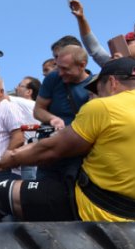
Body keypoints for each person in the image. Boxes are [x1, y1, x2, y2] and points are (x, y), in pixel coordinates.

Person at [0, 58, 135, 224]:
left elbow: (52, 150)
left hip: (93, 207)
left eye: (97, 90)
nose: (95, 95)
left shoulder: (105, 107)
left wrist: (12, 157)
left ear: (112, 83)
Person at [34, 44, 92, 182]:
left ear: (82, 65)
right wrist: (52, 119)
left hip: (78, 155)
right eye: (58, 67)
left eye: (65, 69)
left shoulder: (95, 86)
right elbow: (38, 110)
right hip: (51, 153)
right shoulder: (53, 79)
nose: (60, 73)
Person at [68, 0, 135, 67]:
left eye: (129, 42)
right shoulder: (114, 64)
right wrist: (81, 19)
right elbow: (95, 49)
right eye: (125, 42)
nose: (125, 45)